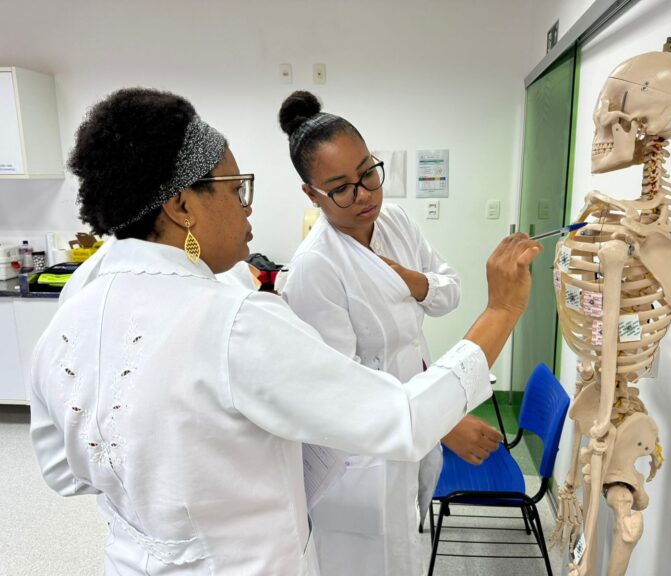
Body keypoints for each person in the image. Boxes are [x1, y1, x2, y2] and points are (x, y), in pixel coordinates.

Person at [29, 88, 541, 576]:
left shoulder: (69, 313)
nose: (248, 206)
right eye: (236, 189)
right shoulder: (235, 321)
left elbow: (61, 469)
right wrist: (501, 310)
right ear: (182, 206)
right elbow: (399, 418)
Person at [275, 91, 504, 576]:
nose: (364, 195)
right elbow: (343, 392)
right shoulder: (316, 267)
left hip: (410, 421)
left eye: (368, 173)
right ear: (311, 195)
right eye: (340, 187)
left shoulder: (394, 220)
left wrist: (411, 280)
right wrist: (443, 423)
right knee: (371, 561)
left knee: (407, 547)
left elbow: (449, 293)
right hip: (359, 457)